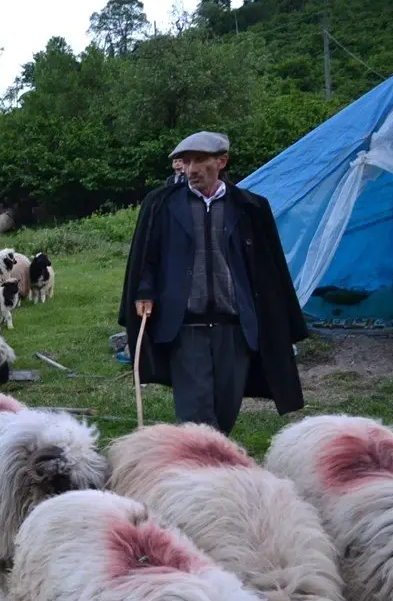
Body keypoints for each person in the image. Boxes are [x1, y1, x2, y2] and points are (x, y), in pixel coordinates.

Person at [118, 131, 307, 435]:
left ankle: (208, 464)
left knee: (225, 408)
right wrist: (144, 291)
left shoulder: (249, 207)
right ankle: (201, 468)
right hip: (186, 326)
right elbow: (147, 257)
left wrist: (276, 318)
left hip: (235, 326)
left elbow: (268, 269)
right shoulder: (162, 205)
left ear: (222, 161)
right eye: (187, 160)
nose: (191, 169)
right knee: (196, 417)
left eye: (200, 160)